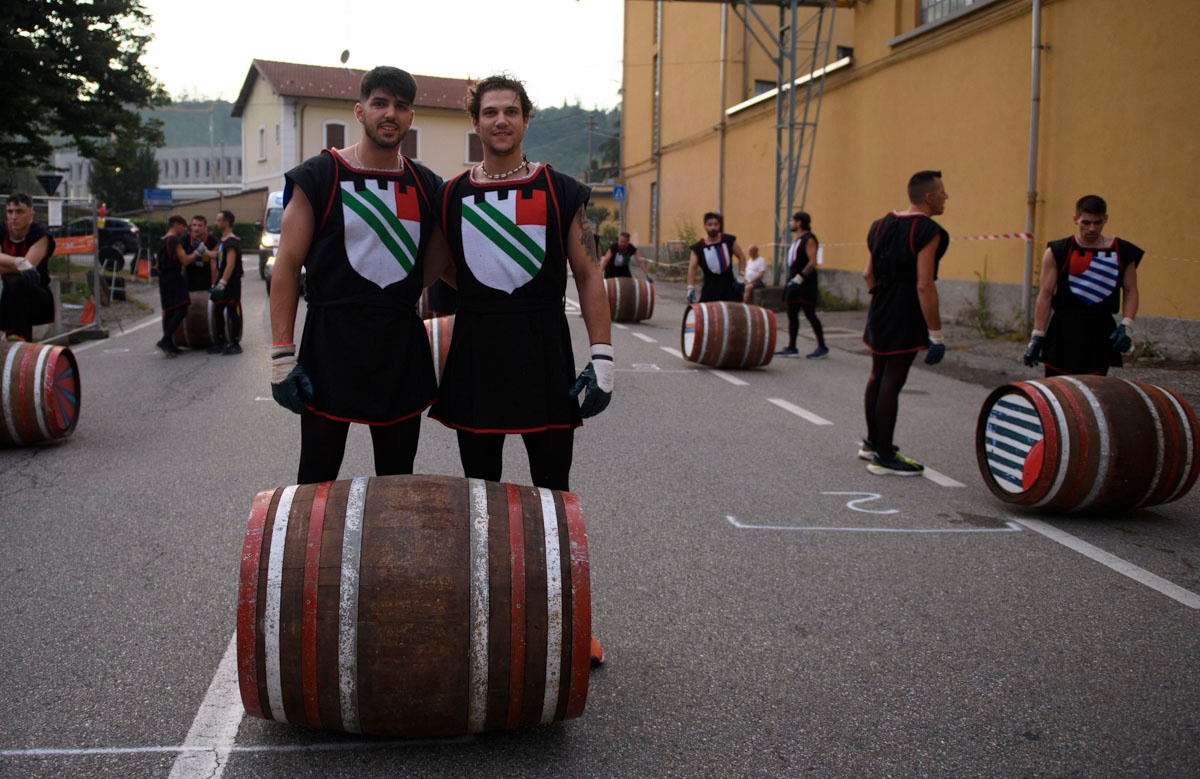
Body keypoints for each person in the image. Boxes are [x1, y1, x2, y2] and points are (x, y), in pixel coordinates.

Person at [430, 73, 610, 668]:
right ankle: (486, 625)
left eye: (511, 111)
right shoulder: (452, 192)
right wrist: (481, 302)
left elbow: (588, 275)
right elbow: (435, 267)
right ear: (474, 123)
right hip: (478, 354)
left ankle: (571, 627)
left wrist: (602, 357)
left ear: (527, 119)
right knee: (480, 506)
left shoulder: (562, 190)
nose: (500, 121)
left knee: (554, 502)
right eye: (490, 112)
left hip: (543, 352)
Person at [268, 65, 446, 484]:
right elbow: (287, 266)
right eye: (380, 103)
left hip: (399, 347)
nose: (391, 114)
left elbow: (440, 262)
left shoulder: (426, 185)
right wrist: (281, 354)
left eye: (401, 106)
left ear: (411, 118)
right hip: (331, 344)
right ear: (359, 110)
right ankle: (309, 554)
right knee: (316, 479)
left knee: (398, 484)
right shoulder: (320, 176)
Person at [860, 170, 950, 476]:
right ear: (928, 197)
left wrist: (880, 297)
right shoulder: (929, 230)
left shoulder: (880, 224)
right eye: (942, 192)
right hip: (904, 310)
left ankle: (872, 442)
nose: (946, 197)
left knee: (877, 375)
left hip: (880, 307)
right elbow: (924, 284)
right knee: (892, 382)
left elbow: (867, 273)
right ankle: (884, 457)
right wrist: (936, 334)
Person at [1023, 195, 1143, 376]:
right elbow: (1046, 294)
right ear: (1075, 219)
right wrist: (1038, 334)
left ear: (1106, 219)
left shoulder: (1122, 251)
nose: (1092, 228)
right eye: (1085, 223)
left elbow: (1130, 290)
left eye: (1097, 223)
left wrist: (1127, 325)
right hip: (1063, 331)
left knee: (1093, 393)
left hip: (1100, 332)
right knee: (1058, 392)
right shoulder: (1059, 250)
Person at [0, 193, 55, 342]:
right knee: (11, 283)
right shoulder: (2, 230)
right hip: (7, 294)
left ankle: (20, 339)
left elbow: (29, 266)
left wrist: (8, 264)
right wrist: (18, 262)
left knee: (18, 281)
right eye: (10, 212)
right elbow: (23, 265)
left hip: (35, 293)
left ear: (31, 214)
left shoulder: (40, 234)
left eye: (19, 211)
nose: (13, 217)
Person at [776, 212, 828, 358]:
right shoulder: (797, 239)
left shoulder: (809, 238)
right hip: (794, 279)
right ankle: (792, 347)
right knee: (791, 313)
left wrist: (799, 278)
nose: (790, 224)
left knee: (810, 314)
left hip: (805, 282)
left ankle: (822, 346)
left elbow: (812, 262)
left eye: (792, 221)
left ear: (799, 223)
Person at [155, 214, 196, 357]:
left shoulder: (161, 240)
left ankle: (170, 344)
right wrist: (197, 253)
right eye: (183, 226)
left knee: (170, 310)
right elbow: (184, 260)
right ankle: (165, 340)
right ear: (176, 225)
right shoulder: (174, 241)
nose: (184, 230)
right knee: (182, 308)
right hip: (174, 277)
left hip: (163, 278)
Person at [686, 212, 745, 303]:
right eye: (710, 225)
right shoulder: (698, 247)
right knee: (705, 315)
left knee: (736, 314)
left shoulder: (728, 240)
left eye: (716, 224)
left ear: (719, 225)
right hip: (710, 290)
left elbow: (741, 256)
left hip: (729, 287)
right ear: (705, 226)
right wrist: (690, 287)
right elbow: (692, 268)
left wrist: (741, 276)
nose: (713, 227)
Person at [208, 210, 244, 355]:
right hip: (223, 281)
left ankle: (235, 343)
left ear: (226, 222)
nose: (217, 223)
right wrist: (204, 251)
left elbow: (230, 264)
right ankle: (220, 341)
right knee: (217, 311)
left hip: (230, 283)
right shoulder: (223, 241)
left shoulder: (231, 242)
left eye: (219, 220)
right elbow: (218, 256)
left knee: (231, 311)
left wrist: (222, 283)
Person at [185, 215, 218, 292]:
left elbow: (215, 262)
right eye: (194, 225)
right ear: (191, 227)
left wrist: (214, 285)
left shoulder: (213, 240)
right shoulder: (185, 239)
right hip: (188, 287)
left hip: (206, 286)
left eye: (200, 225)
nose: (196, 228)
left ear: (205, 227)